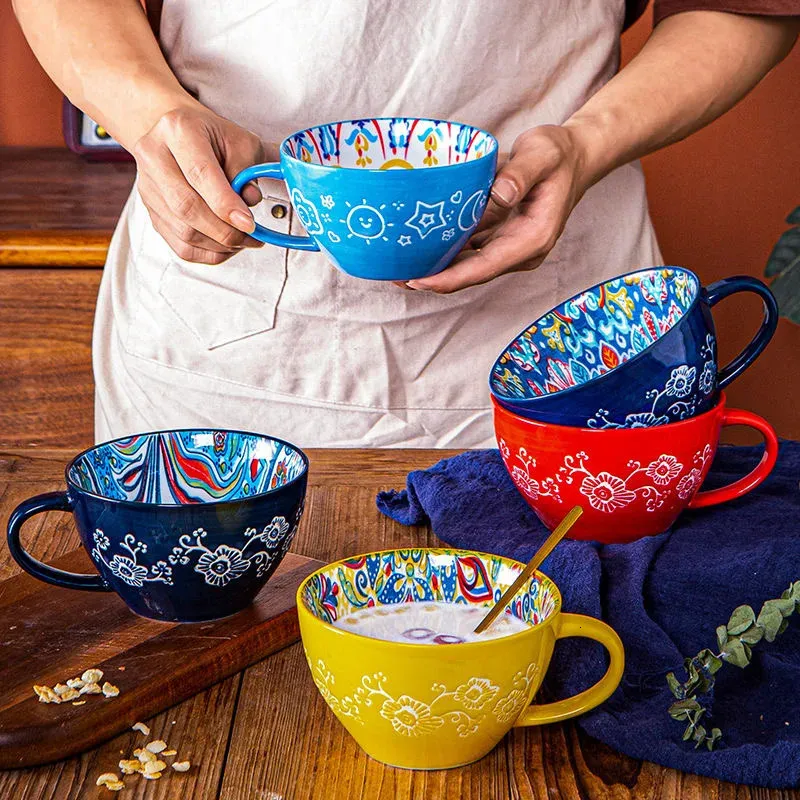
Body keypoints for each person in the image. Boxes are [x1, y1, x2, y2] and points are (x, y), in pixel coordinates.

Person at [14, 0, 800, 448]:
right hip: (229, 339)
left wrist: (588, 143)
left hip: (553, 339)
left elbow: (746, 4)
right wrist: (149, 111)